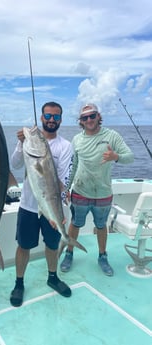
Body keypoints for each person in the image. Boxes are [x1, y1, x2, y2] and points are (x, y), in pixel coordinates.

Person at [9, 101, 73, 307]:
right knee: (23, 246)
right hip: (28, 205)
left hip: (51, 207)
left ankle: (52, 277)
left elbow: (63, 181)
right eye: (47, 116)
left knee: (52, 245)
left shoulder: (65, 146)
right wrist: (21, 143)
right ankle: (19, 283)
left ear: (61, 120)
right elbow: (15, 164)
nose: (51, 120)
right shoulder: (29, 143)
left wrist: (60, 212)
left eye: (55, 117)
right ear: (42, 117)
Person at [60, 103, 134, 276]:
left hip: (103, 194)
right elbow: (73, 165)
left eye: (92, 116)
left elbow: (129, 157)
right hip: (80, 191)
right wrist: (67, 189)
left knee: (101, 226)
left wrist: (116, 157)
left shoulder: (112, 136)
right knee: (75, 224)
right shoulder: (77, 139)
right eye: (85, 117)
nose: (89, 120)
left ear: (98, 116)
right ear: (81, 121)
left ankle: (102, 256)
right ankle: (69, 253)